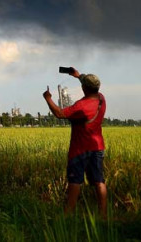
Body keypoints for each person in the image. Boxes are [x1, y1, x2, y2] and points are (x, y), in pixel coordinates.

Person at [43, 69, 108, 218]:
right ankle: (103, 215)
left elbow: (59, 113)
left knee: (75, 181)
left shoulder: (81, 106)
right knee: (99, 181)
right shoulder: (101, 98)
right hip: (97, 147)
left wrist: (48, 98)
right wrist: (78, 75)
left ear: (84, 88)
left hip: (80, 149)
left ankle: (68, 214)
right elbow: (88, 84)